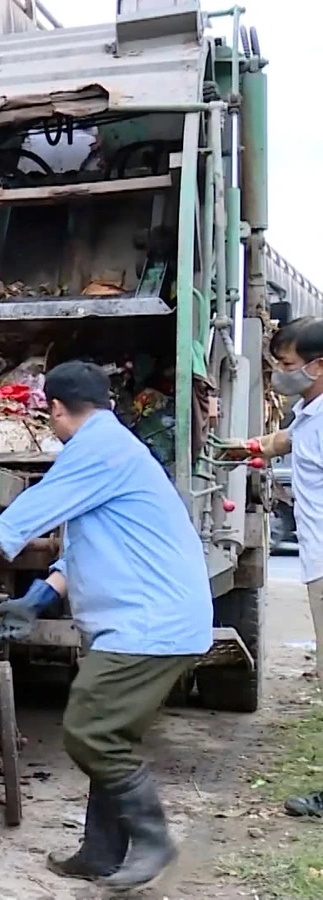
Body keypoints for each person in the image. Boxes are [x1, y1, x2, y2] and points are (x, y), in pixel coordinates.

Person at [0, 360, 212, 890]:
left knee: (90, 730)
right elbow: (88, 546)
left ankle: (154, 839)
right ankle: (102, 854)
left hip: (150, 625)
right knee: (112, 735)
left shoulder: (96, 451)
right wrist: (39, 597)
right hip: (148, 620)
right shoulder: (117, 447)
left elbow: (22, 518)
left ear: (56, 410)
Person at [227, 316, 323, 818]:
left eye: (286, 365)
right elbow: (292, 439)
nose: (280, 374)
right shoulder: (311, 412)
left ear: (318, 365)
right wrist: (253, 446)